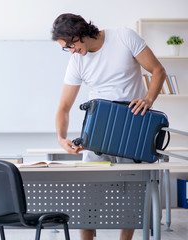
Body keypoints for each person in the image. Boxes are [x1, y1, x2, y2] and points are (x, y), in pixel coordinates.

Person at [51, 13, 166, 240]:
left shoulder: (123, 36)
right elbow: (64, 106)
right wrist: (61, 137)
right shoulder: (77, 61)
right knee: (88, 200)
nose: (71, 51)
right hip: (98, 134)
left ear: (80, 33)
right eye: (66, 48)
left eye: (71, 45)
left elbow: (157, 70)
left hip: (132, 129)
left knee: (131, 199)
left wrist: (149, 99)